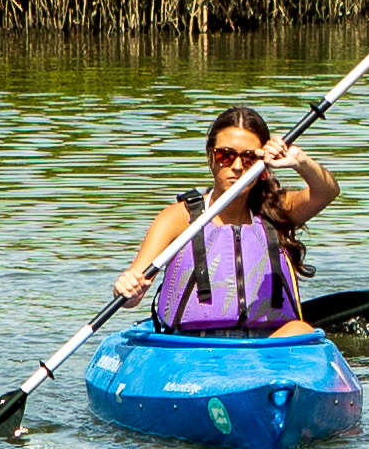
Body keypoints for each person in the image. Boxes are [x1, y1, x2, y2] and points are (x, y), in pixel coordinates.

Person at [118, 103, 338, 334]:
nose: (237, 166)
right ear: (210, 156)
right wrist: (127, 288)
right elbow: (133, 296)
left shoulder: (277, 211)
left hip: (269, 346)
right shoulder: (178, 218)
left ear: (263, 165)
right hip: (192, 347)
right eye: (225, 155)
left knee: (299, 329)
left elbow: (327, 192)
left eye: (249, 158)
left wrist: (299, 160)